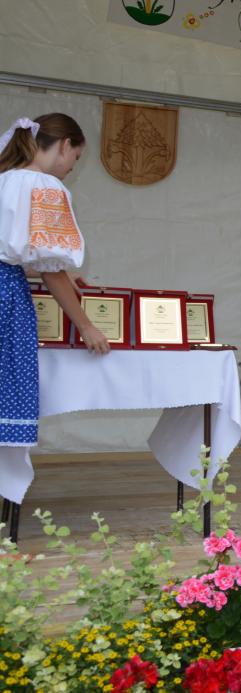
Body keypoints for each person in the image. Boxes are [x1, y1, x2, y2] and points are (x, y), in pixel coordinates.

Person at [0, 114, 109, 465]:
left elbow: (10, 253)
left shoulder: (3, 179)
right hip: (6, 297)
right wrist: (86, 326)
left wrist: (39, 268)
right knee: (8, 383)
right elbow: (53, 273)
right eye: (76, 157)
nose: (72, 167)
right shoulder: (43, 187)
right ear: (65, 145)